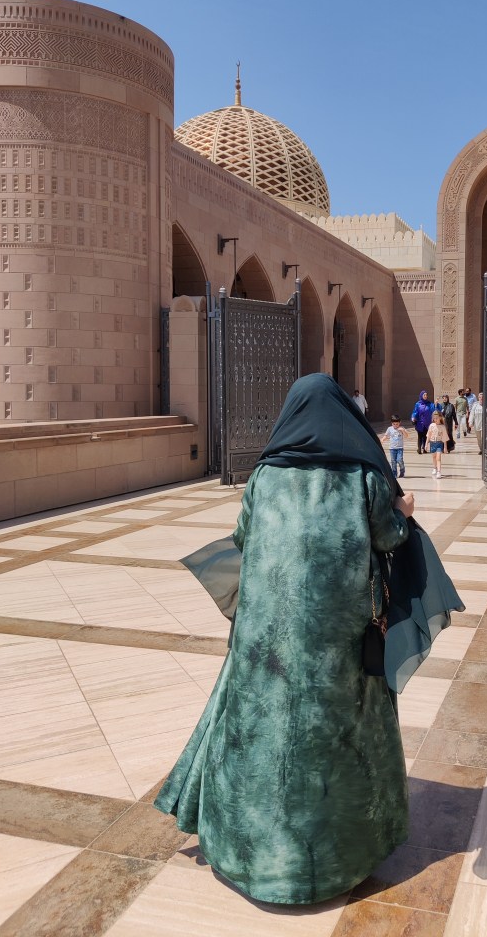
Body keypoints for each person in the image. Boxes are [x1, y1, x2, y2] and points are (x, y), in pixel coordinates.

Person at [155, 374, 463, 905]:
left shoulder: (266, 475)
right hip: (337, 647)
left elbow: (243, 540)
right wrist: (404, 511)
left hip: (265, 644)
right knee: (333, 743)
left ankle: (251, 854)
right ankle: (333, 860)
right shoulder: (364, 478)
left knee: (263, 736)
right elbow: (389, 537)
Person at [381, 414, 408, 478]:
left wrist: (403, 431)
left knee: (399, 460)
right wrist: (382, 439)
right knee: (393, 461)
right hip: (392, 448)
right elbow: (386, 436)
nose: (395, 425)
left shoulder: (402, 428)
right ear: (391, 423)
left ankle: (402, 470)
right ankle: (394, 473)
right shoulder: (389, 429)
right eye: (394, 424)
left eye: (397, 424)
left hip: (399, 448)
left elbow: (406, 436)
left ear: (400, 423)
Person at [411, 389, 434, 454]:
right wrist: (413, 417)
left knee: (426, 436)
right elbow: (415, 412)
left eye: (426, 395)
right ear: (421, 395)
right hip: (420, 423)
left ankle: (424, 448)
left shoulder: (430, 404)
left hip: (427, 423)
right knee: (420, 436)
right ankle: (419, 448)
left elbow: (434, 409)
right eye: (424, 395)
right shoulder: (418, 404)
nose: (425, 396)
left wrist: (436, 404)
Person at [426, 410, 448, 478]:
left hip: (439, 443)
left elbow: (444, 437)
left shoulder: (443, 427)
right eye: (434, 418)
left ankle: (439, 471)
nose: (435, 420)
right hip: (432, 443)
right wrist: (426, 444)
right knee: (434, 457)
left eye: (437, 418)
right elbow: (428, 435)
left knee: (438, 458)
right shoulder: (431, 425)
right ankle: (434, 468)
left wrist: (445, 447)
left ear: (440, 418)